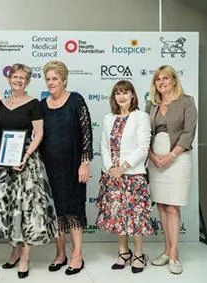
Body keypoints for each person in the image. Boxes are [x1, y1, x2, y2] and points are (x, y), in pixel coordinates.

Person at [0, 63, 58, 279]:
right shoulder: (0, 105)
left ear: (27, 82)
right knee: (10, 208)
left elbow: (38, 133)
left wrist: (25, 156)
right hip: (6, 164)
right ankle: (15, 250)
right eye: (15, 77)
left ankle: (25, 256)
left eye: (22, 78)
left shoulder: (33, 104)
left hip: (27, 162)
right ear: (9, 80)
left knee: (27, 209)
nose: (18, 80)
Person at [39, 61, 93, 276]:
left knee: (74, 212)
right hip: (50, 168)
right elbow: (38, 136)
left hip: (73, 166)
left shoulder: (76, 101)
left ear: (64, 79)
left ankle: (77, 255)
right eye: (48, 79)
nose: (51, 82)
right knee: (57, 213)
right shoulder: (42, 105)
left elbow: (86, 134)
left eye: (55, 78)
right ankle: (60, 254)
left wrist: (84, 162)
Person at [96, 80, 153, 273]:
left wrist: (123, 167)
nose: (121, 97)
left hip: (133, 175)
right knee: (118, 215)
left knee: (135, 216)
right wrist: (112, 168)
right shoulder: (108, 118)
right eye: (117, 93)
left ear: (132, 96)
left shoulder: (141, 117)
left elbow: (143, 147)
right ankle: (123, 251)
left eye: (125, 93)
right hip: (112, 175)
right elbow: (104, 147)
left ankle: (138, 254)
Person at [146, 65, 197, 275]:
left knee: (173, 208)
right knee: (161, 207)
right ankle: (166, 250)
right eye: (158, 79)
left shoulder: (187, 101)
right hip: (156, 161)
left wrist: (170, 156)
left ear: (174, 80)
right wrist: (152, 156)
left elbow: (188, 133)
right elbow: (145, 134)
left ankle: (174, 255)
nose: (161, 82)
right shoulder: (151, 104)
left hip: (178, 159)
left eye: (165, 78)